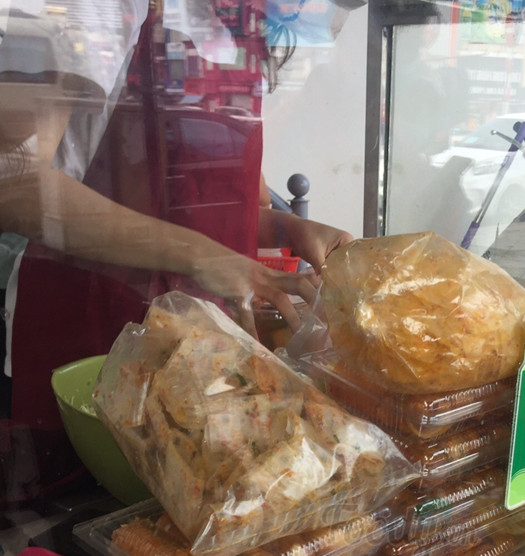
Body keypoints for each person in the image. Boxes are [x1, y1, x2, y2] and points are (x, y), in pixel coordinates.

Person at [0, 0, 355, 500]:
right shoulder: (102, 9)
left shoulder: (238, 24)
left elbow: (214, 207)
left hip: (206, 367)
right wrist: (201, 255)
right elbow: (13, 182)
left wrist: (290, 228)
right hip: (94, 352)